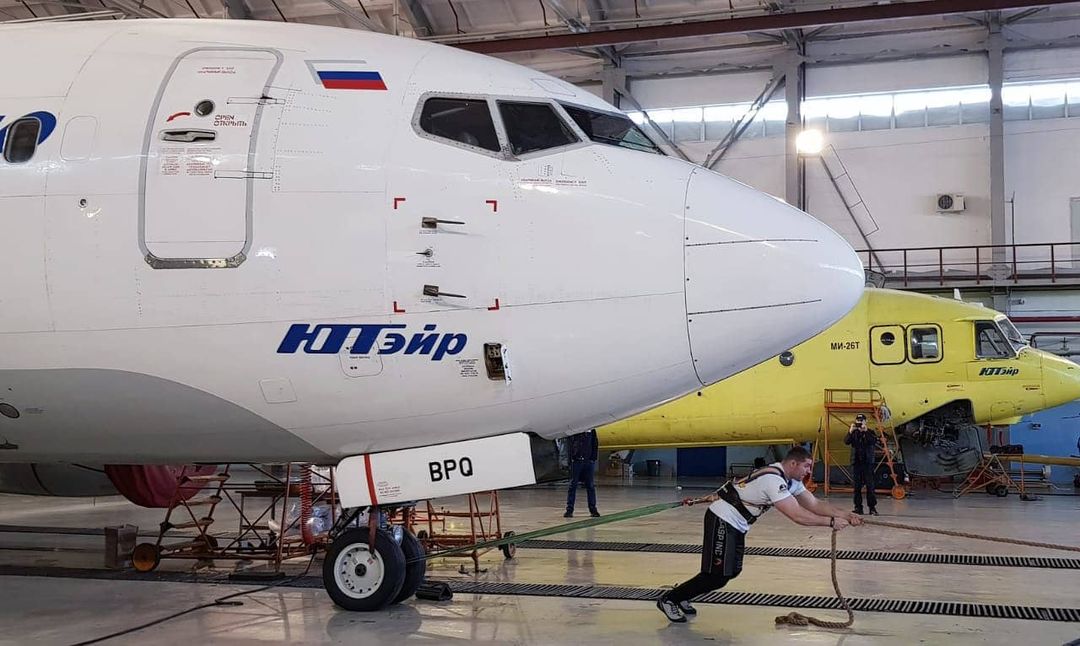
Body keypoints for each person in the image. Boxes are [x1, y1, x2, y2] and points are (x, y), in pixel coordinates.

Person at [656, 446, 861, 623]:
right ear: (793, 463)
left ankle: (684, 594)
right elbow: (797, 515)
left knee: (730, 572)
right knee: (717, 574)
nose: (809, 471)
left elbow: (815, 504)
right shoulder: (773, 480)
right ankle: (670, 599)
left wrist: (846, 514)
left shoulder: (791, 481)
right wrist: (831, 522)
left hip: (737, 524)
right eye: (806, 466)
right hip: (722, 519)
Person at [845, 413, 882, 515]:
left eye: (861, 421)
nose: (860, 422)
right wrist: (850, 431)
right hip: (856, 463)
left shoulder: (870, 432)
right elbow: (846, 442)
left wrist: (866, 431)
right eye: (858, 421)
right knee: (857, 487)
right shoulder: (854, 433)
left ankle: (872, 507)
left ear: (865, 422)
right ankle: (858, 507)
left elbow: (873, 441)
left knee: (870, 486)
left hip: (867, 463)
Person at [564, 429, 600, 518]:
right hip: (576, 461)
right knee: (573, 485)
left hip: (588, 461)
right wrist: (571, 459)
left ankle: (593, 509)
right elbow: (569, 444)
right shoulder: (575, 429)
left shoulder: (591, 430)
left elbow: (595, 443)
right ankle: (569, 510)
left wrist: (592, 459)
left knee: (590, 486)